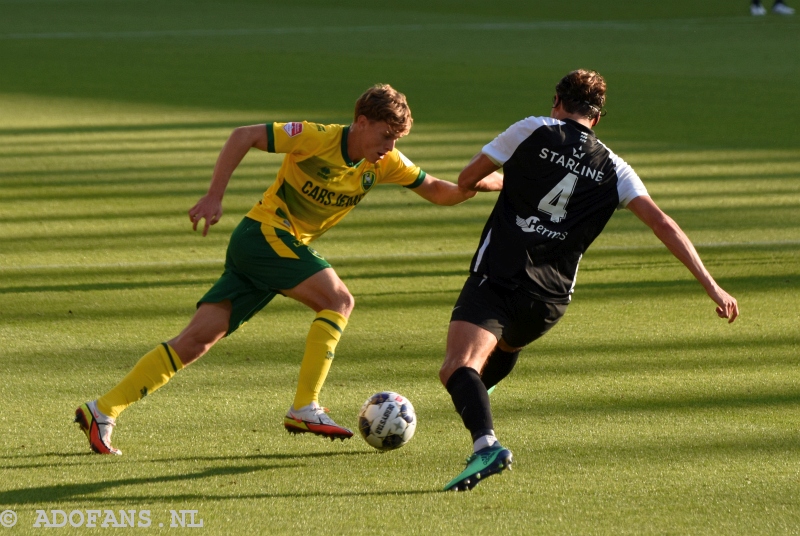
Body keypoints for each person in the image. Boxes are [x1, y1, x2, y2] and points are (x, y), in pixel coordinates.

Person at [75, 84, 477, 455]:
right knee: (339, 300)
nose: (389, 146)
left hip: (271, 251)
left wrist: (488, 180)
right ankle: (305, 406)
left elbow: (440, 191)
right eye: (385, 135)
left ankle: (103, 409)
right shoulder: (316, 137)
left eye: (396, 139)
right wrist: (214, 196)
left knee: (196, 340)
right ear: (361, 122)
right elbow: (242, 135)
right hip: (263, 236)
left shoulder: (382, 163)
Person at [439, 69, 739, 491]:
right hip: (550, 300)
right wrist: (713, 286)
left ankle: (485, 444)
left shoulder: (532, 129)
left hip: (501, 272)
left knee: (457, 366)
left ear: (557, 101)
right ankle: (475, 404)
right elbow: (663, 224)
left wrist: (509, 182)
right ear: (597, 118)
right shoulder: (616, 168)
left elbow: (468, 179)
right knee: (503, 346)